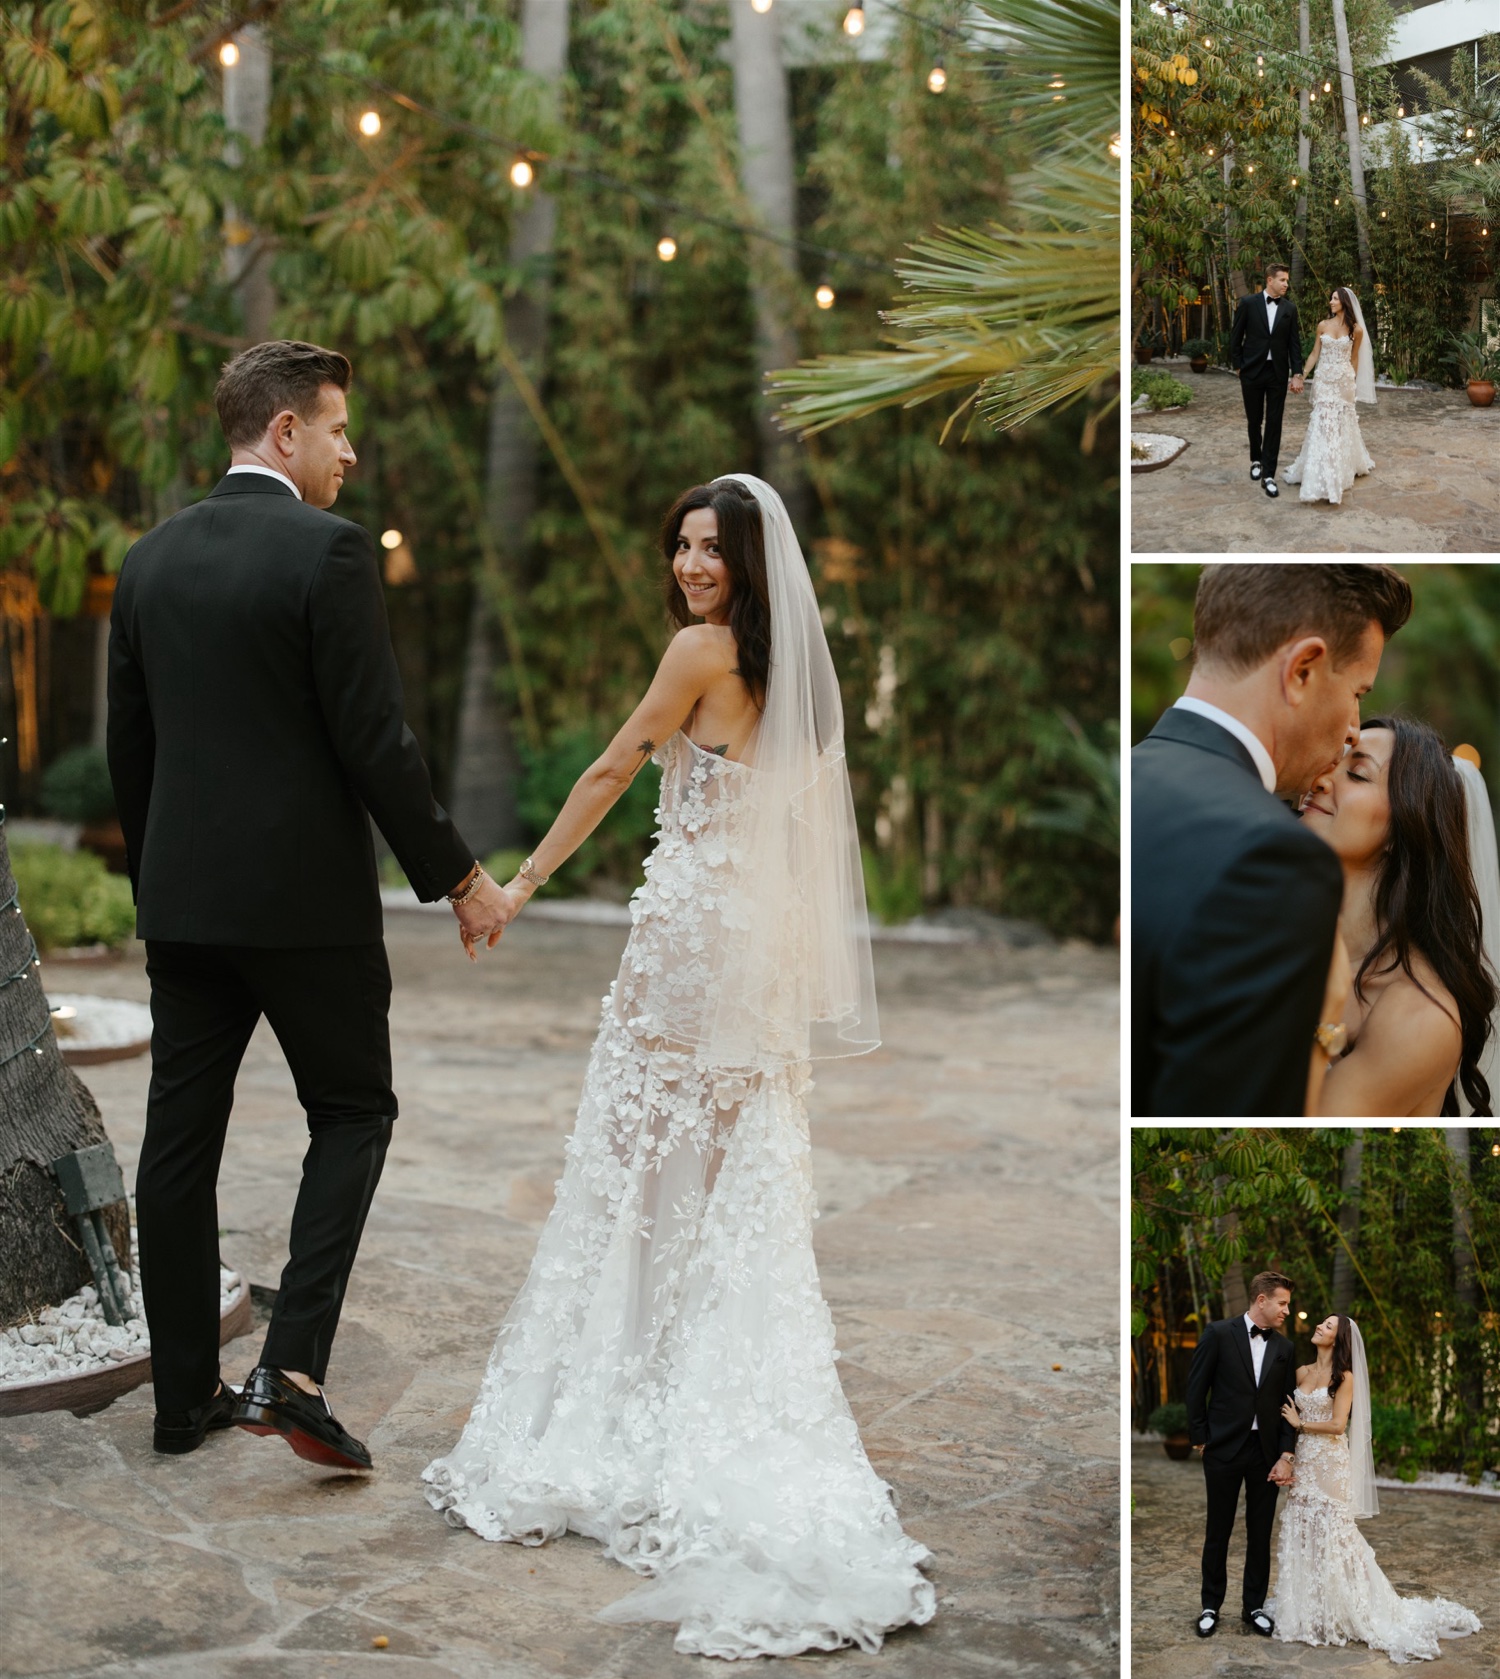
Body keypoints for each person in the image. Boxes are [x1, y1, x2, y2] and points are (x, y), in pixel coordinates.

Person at [422, 475, 935, 1659]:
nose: (693, 564)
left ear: (749, 564)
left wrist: (522, 882)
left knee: (642, 1173)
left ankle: (637, 1393)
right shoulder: (792, 674)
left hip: (693, 945)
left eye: (713, 548)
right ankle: (695, 1385)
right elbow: (799, 833)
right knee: (720, 1176)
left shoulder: (701, 652)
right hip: (757, 950)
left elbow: (615, 766)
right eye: (685, 545)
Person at [108, 340, 510, 1470]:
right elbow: (376, 740)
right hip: (305, 913)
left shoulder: (147, 560)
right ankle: (290, 1372)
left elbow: (132, 753)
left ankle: (181, 1400)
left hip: (183, 907)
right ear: (285, 431)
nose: (350, 452)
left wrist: (160, 885)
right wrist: (461, 878)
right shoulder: (328, 552)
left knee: (177, 1142)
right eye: (338, 428)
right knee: (352, 1109)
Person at [1132, 563, 1412, 1117]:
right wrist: (1325, 1021)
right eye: (1357, 692)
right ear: (1303, 670)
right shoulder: (1272, 859)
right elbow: (1236, 1132)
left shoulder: (1130, 775)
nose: (1353, 727)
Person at [1298, 715, 1497, 1116]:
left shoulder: (1422, 1015)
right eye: (1330, 763)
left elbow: (1308, 1135)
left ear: (1404, 825)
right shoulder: (1283, 933)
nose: (1319, 779)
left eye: (1357, 774)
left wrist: (1322, 1021)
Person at [1269, 1314, 1481, 1660]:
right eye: (1322, 1323)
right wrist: (1288, 1454)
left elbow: (1338, 1425)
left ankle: (1354, 1606)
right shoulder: (1301, 1372)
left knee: (1335, 1531)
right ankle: (1311, 1607)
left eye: (1328, 1326)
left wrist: (1301, 1423)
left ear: (1338, 1339)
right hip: (1305, 1462)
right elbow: (1283, 1414)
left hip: (1330, 1464)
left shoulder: (1345, 1377)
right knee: (1304, 1527)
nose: (1320, 1326)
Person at [1184, 1271, 1300, 1642]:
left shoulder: (1285, 1348)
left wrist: (1286, 1453)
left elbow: (1289, 1404)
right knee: (1217, 1530)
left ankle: (1254, 1607)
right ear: (1261, 1300)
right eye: (1282, 1303)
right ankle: (1210, 1605)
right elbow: (1196, 1387)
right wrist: (1201, 1437)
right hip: (1223, 1448)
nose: (1286, 1310)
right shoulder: (1218, 1333)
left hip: (1265, 1453)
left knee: (1260, 1532)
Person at [1282, 287, 1376, 505]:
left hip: (1343, 381)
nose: (1331, 302)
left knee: (1341, 423)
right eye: (1331, 298)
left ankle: (1341, 467)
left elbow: (1354, 358)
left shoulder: (1356, 330)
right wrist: (1301, 376)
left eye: (1335, 298)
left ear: (1344, 302)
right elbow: (1315, 353)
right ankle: (1321, 472)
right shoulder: (1323, 325)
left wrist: (1352, 382)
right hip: (1324, 381)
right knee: (1323, 422)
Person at [1228, 263, 1305, 500]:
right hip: (1252, 371)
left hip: (1277, 373)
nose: (1286, 284)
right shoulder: (1248, 303)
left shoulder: (1290, 308)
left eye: (1287, 280)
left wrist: (1297, 373)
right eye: (1282, 280)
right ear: (1269, 280)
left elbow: (1294, 344)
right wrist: (1239, 366)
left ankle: (1268, 474)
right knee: (1254, 419)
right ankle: (1255, 459)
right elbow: (1235, 337)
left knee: (1274, 422)